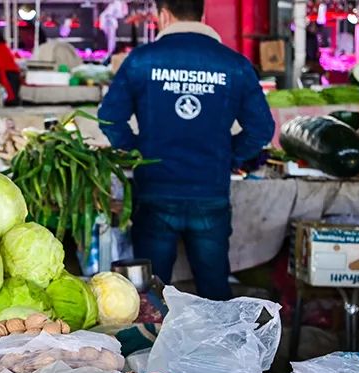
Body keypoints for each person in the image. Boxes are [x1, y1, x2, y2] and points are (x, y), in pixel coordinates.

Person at [97, 0, 274, 300]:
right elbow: (261, 129)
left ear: (163, 14)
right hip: (210, 193)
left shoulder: (142, 60)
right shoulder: (234, 65)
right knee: (214, 292)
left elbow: (109, 117)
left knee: (150, 295)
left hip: (155, 191)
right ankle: (219, 347)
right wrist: (229, 156)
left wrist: (138, 149)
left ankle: (150, 347)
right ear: (202, 14)